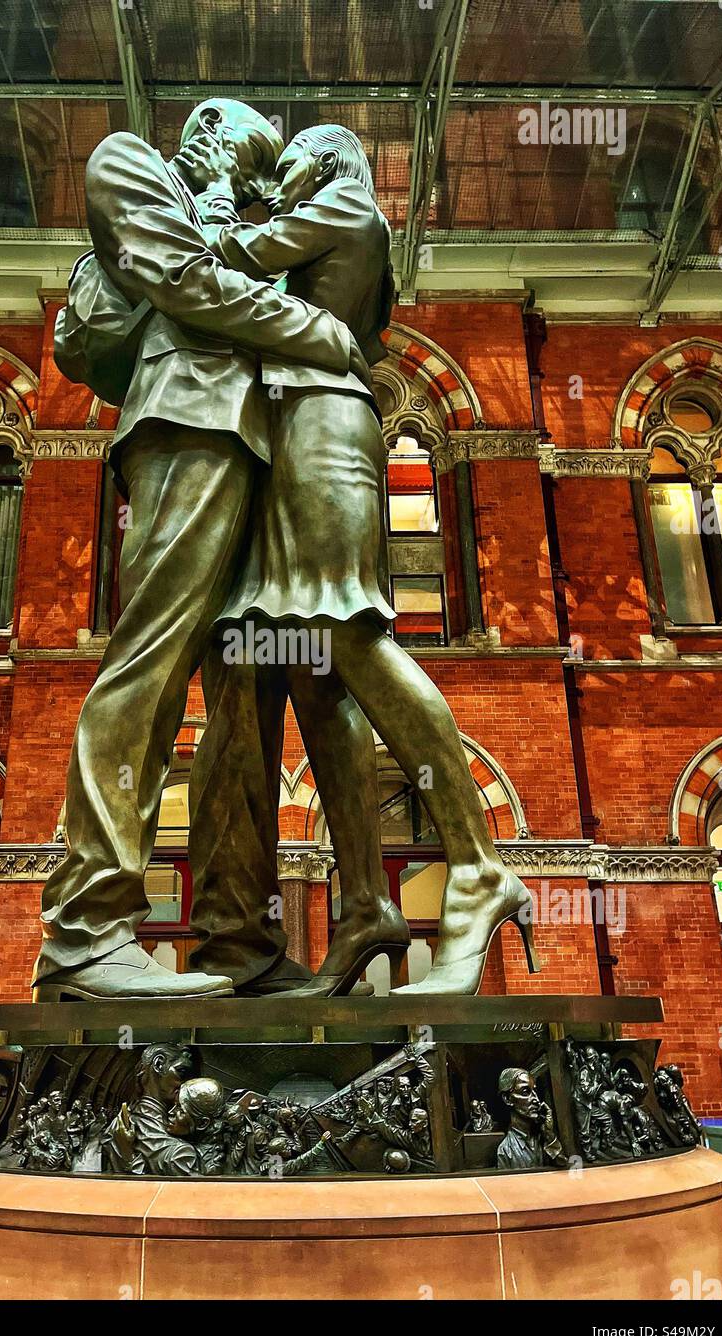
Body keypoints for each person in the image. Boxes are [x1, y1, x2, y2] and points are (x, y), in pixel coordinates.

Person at [33, 100, 374, 1001]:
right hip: (183, 425)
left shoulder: (242, 222)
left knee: (246, 703)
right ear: (208, 135)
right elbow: (169, 286)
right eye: (249, 165)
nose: (255, 190)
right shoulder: (129, 164)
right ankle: (85, 932)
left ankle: (237, 942)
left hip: (262, 448)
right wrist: (319, 333)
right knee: (146, 665)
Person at [189, 125, 535, 995]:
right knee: (313, 670)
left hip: (321, 426)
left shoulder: (342, 202)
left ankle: (479, 866)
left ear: (329, 156)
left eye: (294, 154)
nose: (284, 168)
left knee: (346, 631)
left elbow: (224, 256)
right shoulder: (336, 223)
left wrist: (225, 191)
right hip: (292, 427)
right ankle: (362, 908)